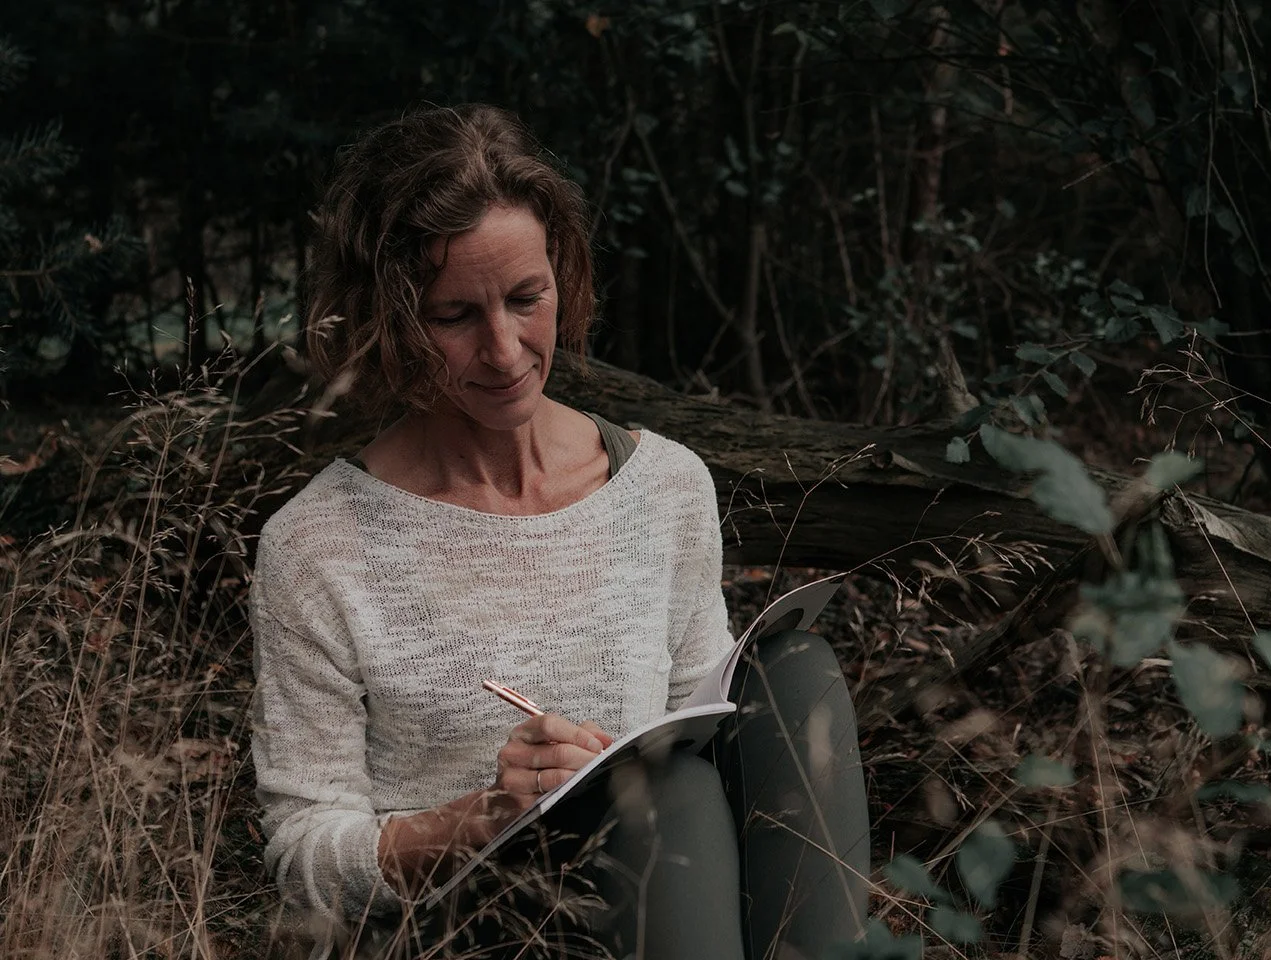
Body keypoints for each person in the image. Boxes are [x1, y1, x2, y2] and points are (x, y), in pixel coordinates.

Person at [249, 103, 870, 960]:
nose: (505, 351)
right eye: (454, 316)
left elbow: (712, 713)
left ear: (563, 277)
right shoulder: (317, 544)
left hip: (675, 899)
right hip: (467, 929)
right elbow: (303, 852)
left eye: (525, 299)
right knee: (669, 800)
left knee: (793, 677)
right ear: (390, 321)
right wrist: (481, 819)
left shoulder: (663, 486)